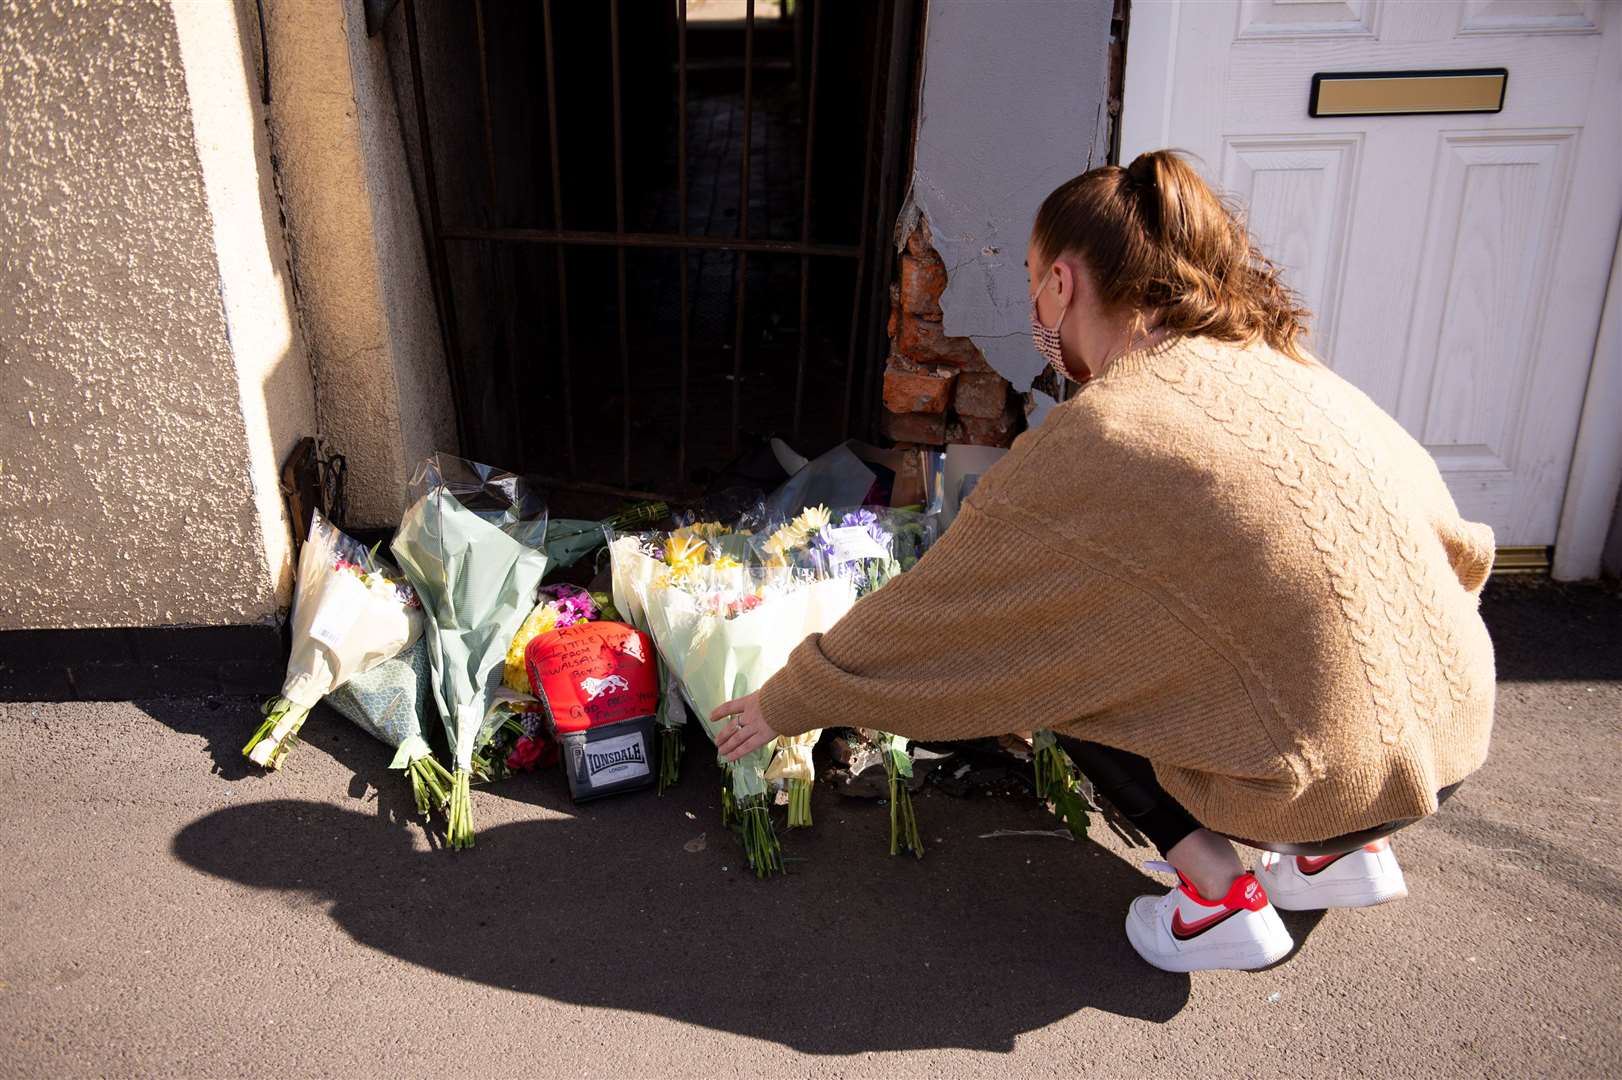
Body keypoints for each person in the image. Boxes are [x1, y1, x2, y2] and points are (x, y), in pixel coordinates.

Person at [711, 149, 1496, 974]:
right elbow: (1459, 550)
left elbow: (952, 609)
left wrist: (792, 696)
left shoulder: (1112, 426)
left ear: (1062, 281)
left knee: (1062, 659)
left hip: (1320, 784)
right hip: (1451, 737)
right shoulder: (1293, 371)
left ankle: (1221, 899)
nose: (1030, 307)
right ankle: (1342, 857)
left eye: (1027, 280)